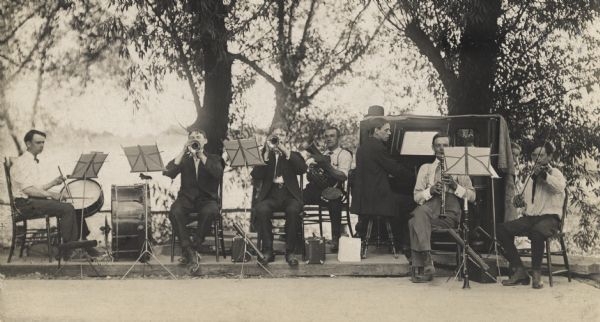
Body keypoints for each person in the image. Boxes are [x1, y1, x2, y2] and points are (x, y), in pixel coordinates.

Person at [10, 129, 95, 258]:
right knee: (67, 209)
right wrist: (51, 195)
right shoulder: (23, 162)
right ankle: (69, 249)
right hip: (24, 204)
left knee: (71, 203)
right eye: (38, 143)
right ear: (28, 144)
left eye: (43, 143)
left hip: (31, 200)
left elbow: (36, 187)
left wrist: (53, 183)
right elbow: (28, 190)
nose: (41, 146)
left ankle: (80, 243)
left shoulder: (30, 161)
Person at [408, 133, 475, 283]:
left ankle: (421, 266)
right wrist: (430, 191)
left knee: (414, 220)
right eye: (438, 145)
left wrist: (454, 185)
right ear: (433, 148)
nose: (441, 149)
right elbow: (416, 197)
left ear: (450, 148)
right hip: (429, 207)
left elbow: (472, 196)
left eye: (445, 145)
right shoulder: (425, 169)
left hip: (449, 211)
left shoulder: (458, 168)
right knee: (419, 215)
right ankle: (427, 261)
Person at [498, 141, 565, 289]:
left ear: (549, 157)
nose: (537, 158)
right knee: (501, 230)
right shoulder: (530, 177)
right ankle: (520, 269)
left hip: (550, 219)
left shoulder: (555, 173)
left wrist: (544, 175)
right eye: (534, 155)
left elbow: (560, 188)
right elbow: (526, 204)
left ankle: (536, 274)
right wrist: (519, 201)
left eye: (541, 155)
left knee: (537, 232)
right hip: (531, 218)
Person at [350, 118, 415, 254]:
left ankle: (398, 243)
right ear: (376, 131)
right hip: (376, 200)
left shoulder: (363, 147)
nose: (389, 133)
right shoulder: (378, 147)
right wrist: (415, 177)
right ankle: (403, 245)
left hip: (365, 199)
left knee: (400, 199)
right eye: (386, 130)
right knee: (411, 202)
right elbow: (395, 169)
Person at [163, 130, 223, 267]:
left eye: (198, 137)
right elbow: (168, 172)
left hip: (207, 199)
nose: (194, 140)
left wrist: (201, 154)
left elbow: (217, 173)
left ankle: (193, 247)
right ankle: (189, 249)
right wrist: (183, 150)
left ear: (205, 141)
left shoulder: (214, 158)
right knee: (174, 211)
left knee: (210, 211)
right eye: (191, 138)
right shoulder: (185, 158)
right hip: (187, 199)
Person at [251, 124, 307, 267]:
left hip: (289, 195)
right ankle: (268, 251)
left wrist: (285, 152)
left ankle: (290, 252)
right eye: (275, 135)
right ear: (271, 137)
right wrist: (264, 156)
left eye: (281, 135)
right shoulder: (266, 155)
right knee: (261, 210)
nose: (278, 137)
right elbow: (256, 175)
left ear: (286, 138)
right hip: (271, 195)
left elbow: (302, 169)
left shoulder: (293, 155)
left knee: (293, 210)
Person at [303, 126, 353, 252]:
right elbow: (311, 174)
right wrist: (312, 174)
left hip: (335, 189)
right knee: (297, 198)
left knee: (335, 201)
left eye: (332, 136)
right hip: (318, 189)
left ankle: (335, 238)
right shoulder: (322, 154)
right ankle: (297, 237)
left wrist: (326, 165)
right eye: (326, 136)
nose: (329, 138)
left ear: (338, 138)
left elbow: (342, 176)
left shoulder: (344, 154)